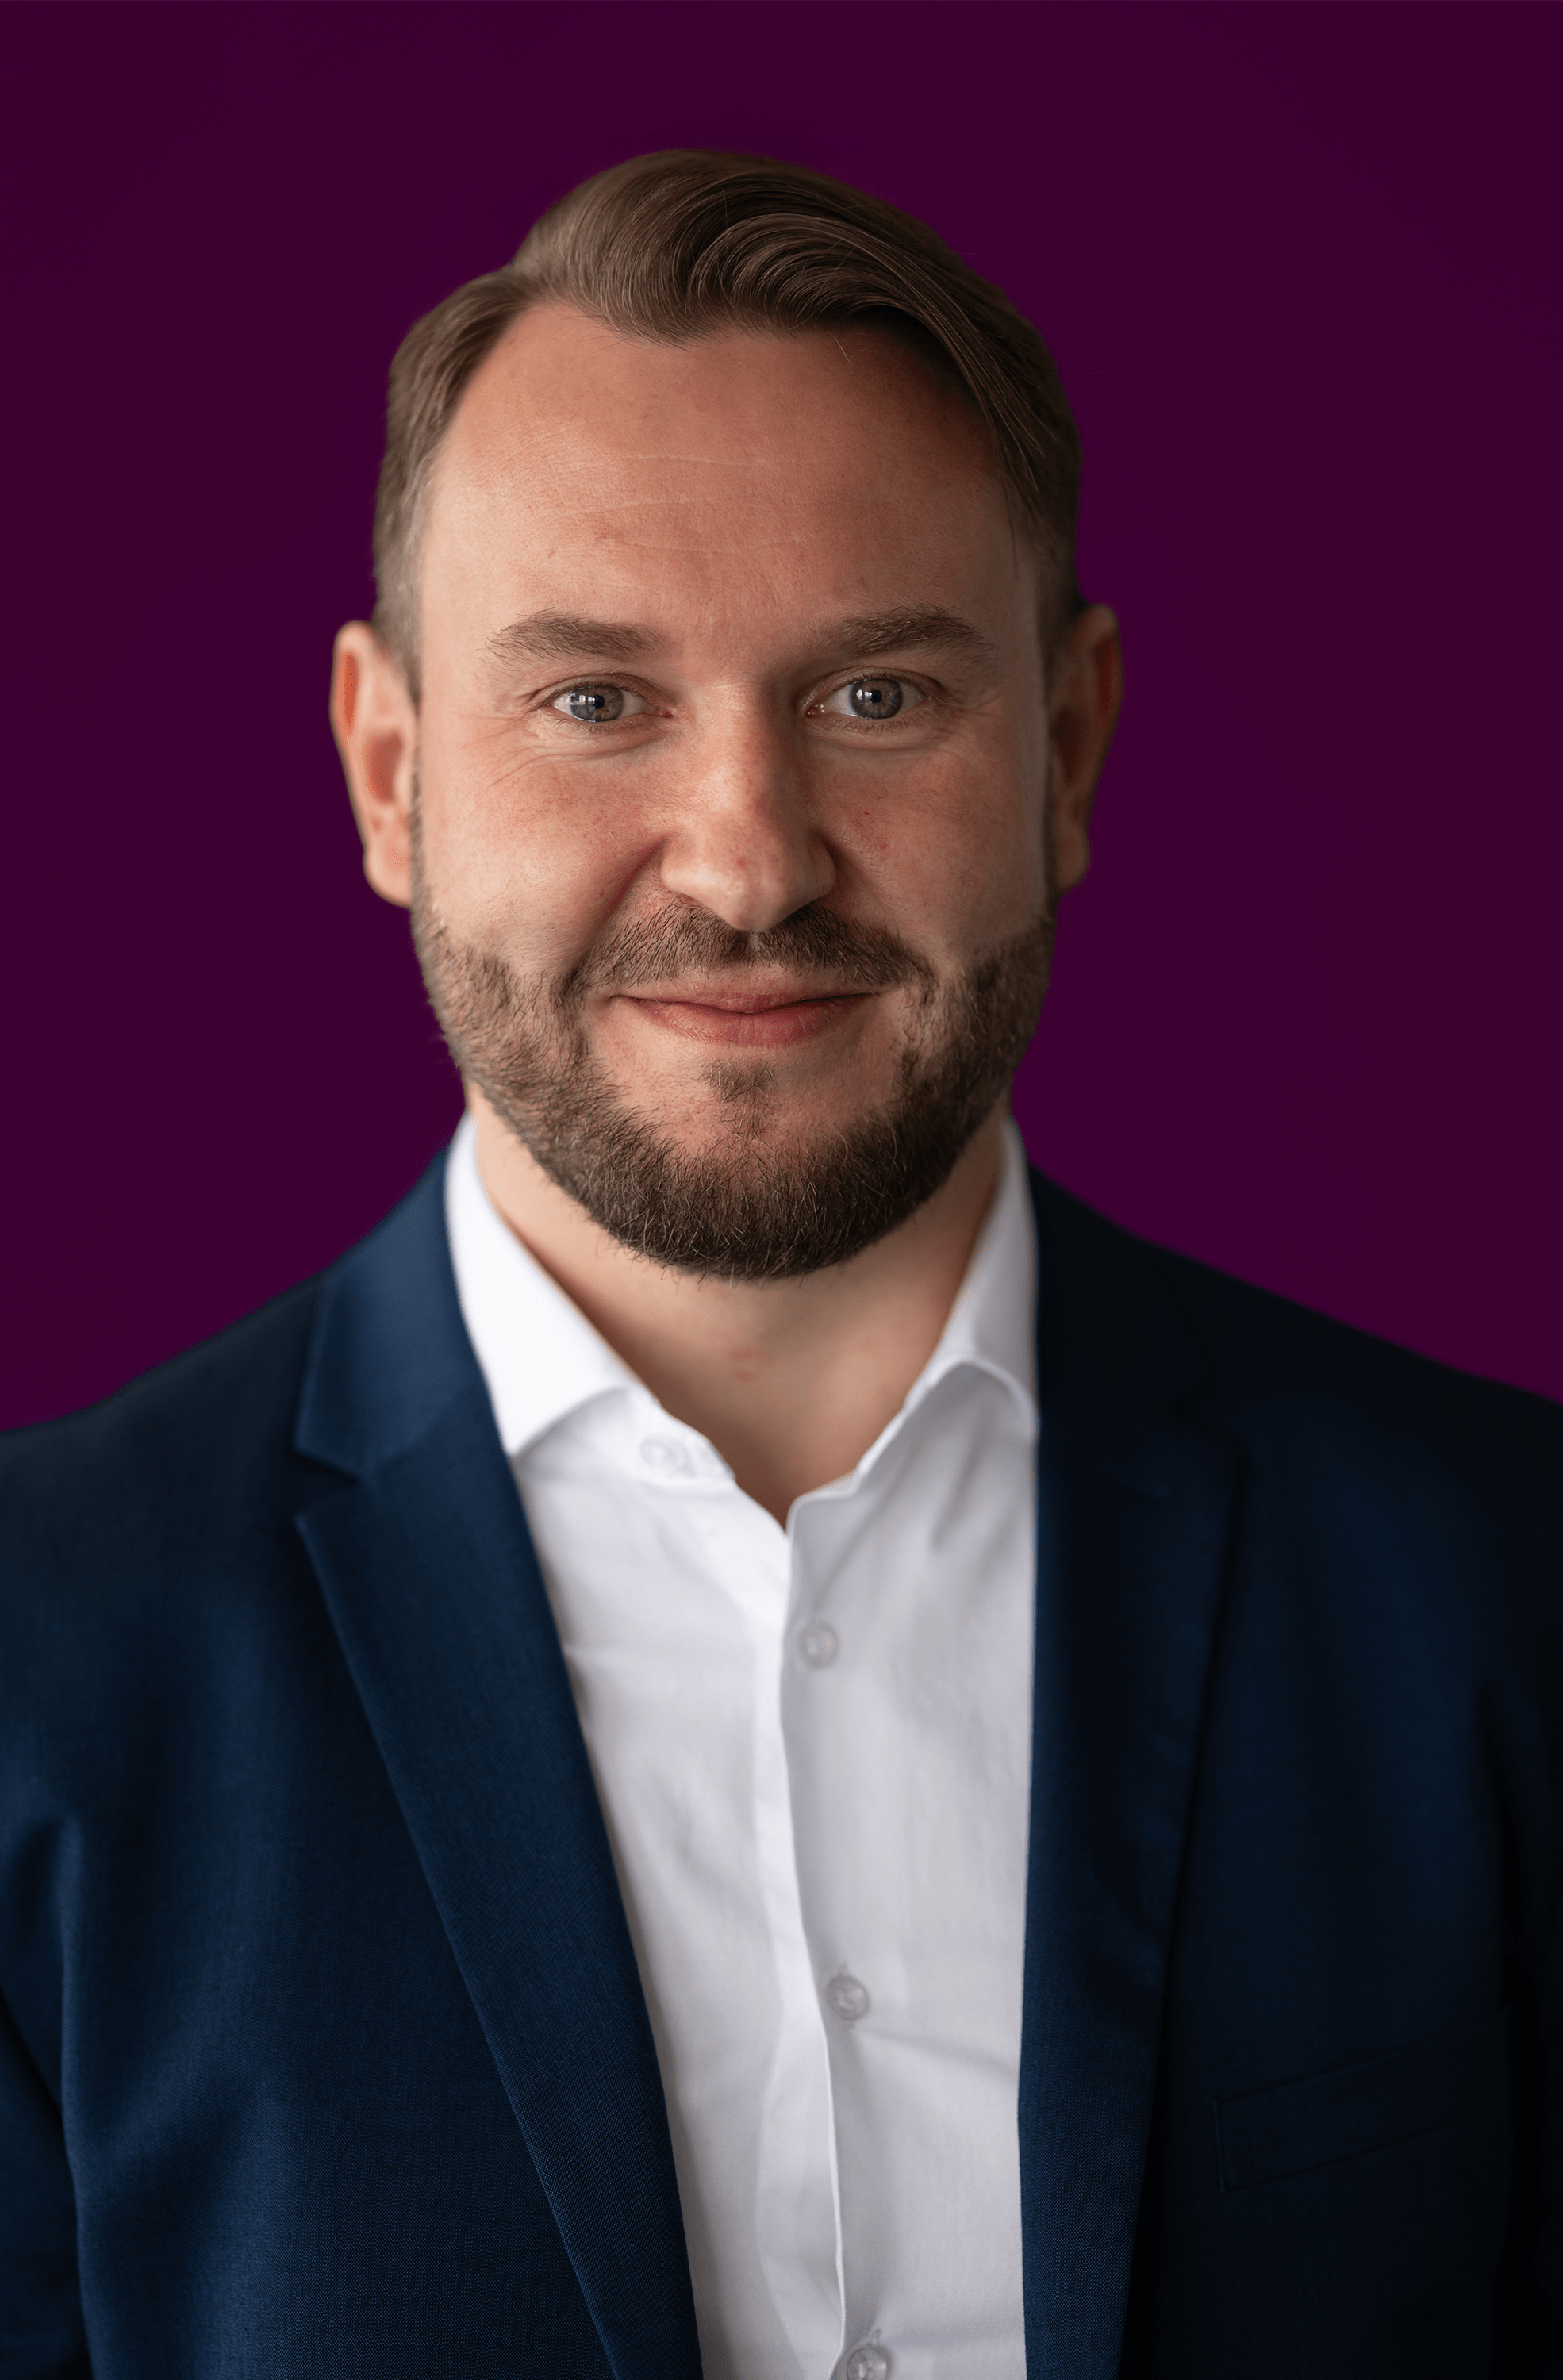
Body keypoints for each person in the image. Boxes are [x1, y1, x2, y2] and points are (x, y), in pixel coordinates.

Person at [1, 148, 1557, 2380]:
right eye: (594, 701)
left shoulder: (1503, 1592)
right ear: (387, 770)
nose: (745, 866)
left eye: (879, 699)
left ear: (1074, 746)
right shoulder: (37, 1671)